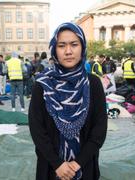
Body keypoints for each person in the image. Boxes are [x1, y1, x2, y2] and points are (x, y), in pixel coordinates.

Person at [29, 22, 108, 180]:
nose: (68, 51)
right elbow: (36, 128)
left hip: (84, 167)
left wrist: (77, 163)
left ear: (82, 47)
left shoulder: (93, 83)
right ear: (54, 49)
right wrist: (58, 164)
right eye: (61, 45)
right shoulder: (43, 84)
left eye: (74, 44)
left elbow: (99, 128)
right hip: (51, 168)